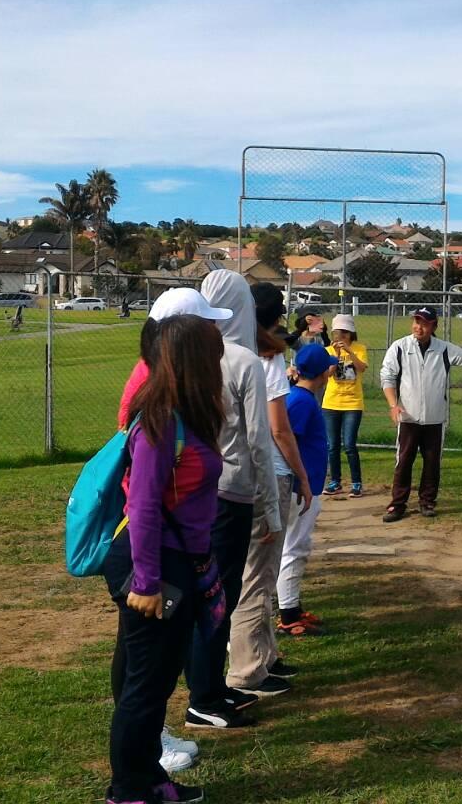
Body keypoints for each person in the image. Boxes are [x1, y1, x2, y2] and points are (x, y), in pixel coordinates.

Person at [114, 287, 247, 758]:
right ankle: (138, 773)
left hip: (172, 554)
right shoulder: (161, 410)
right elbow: (144, 502)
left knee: (147, 667)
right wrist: (148, 579)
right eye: (210, 336)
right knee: (146, 674)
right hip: (158, 561)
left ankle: (145, 759)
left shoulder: (180, 403)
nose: (219, 345)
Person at [183, 270, 278, 732]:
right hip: (234, 492)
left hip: (199, 491)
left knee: (211, 592)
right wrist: (272, 508)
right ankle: (202, 696)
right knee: (220, 595)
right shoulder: (243, 361)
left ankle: (214, 686)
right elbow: (259, 443)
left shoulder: (193, 356)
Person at [225, 284, 312, 699]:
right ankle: (246, 671)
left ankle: (265, 657)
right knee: (257, 578)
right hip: (268, 475)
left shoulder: (225, 351)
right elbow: (277, 429)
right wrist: (302, 476)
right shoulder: (266, 357)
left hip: (237, 476)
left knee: (256, 571)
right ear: (276, 317)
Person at [378, 306, 462, 522]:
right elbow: (387, 377)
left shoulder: (443, 349)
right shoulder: (400, 348)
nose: (418, 326)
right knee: (404, 461)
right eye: (416, 321)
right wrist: (393, 405)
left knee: (432, 462)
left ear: (433, 326)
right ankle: (397, 505)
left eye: (423, 323)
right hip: (409, 418)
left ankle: (427, 502)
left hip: (434, 418)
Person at [277, 344, 337, 637]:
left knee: (295, 545)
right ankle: (288, 613)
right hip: (300, 487)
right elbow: (285, 439)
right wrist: (300, 479)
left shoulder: (300, 397)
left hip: (304, 485)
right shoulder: (301, 401)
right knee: (294, 547)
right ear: (323, 372)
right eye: (329, 366)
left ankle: (292, 606)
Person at [321, 313, 368, 498]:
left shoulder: (359, 348)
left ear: (350, 333)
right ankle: (335, 481)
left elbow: (362, 367)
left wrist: (349, 351)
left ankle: (356, 482)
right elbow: (328, 374)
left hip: (352, 403)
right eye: (337, 333)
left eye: (343, 333)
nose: (340, 337)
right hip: (331, 402)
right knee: (332, 445)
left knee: (349, 444)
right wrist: (337, 355)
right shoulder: (329, 351)